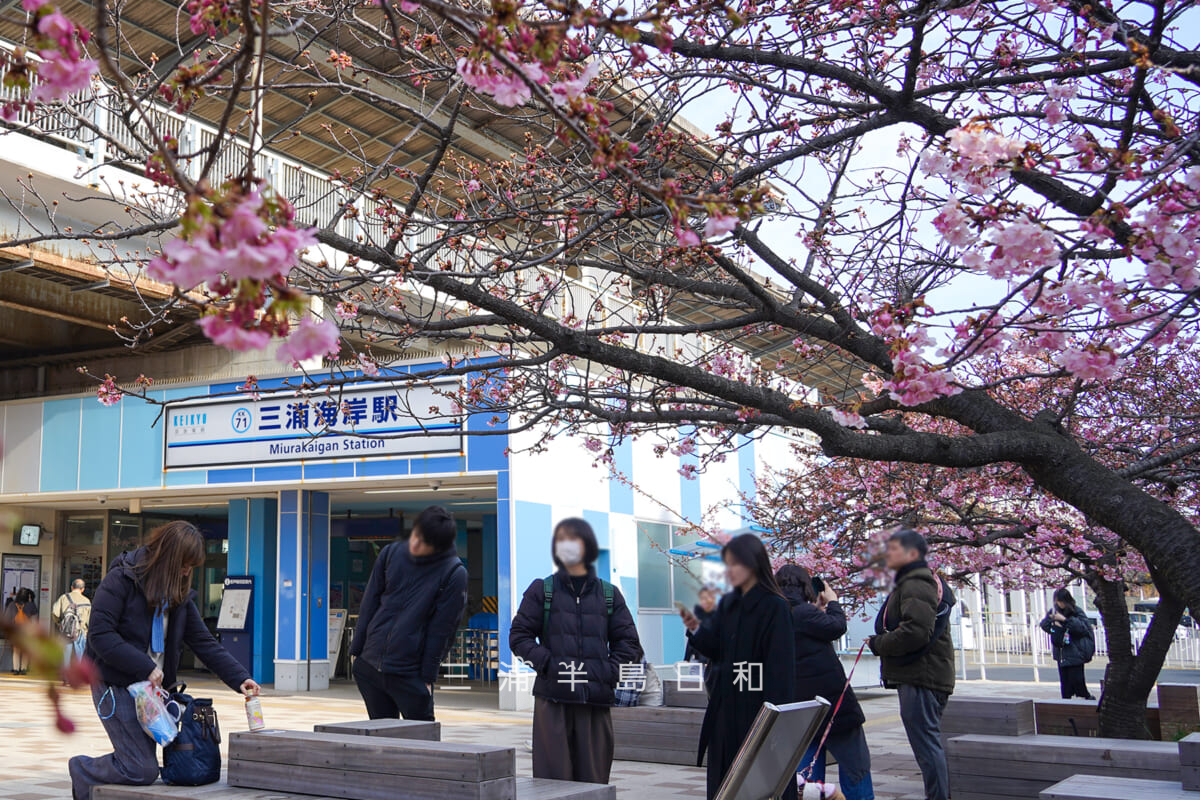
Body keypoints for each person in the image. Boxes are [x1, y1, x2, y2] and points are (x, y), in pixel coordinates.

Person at [69, 521, 260, 800]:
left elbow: (204, 642)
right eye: (184, 564)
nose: (187, 572)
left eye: (191, 567)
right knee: (140, 769)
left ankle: (92, 788)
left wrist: (240, 677)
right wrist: (144, 666)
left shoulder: (178, 594)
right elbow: (100, 635)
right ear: (167, 557)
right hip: (114, 684)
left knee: (142, 766)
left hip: (152, 692)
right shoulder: (121, 579)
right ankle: (81, 769)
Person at [510, 517, 643, 784]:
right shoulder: (542, 590)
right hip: (553, 702)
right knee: (551, 782)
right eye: (561, 541)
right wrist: (548, 665)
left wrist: (607, 672)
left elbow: (630, 645)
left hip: (595, 704)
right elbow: (518, 637)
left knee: (593, 782)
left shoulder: (609, 594)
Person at [681, 534, 797, 800]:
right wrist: (696, 627)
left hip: (756, 714)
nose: (728, 571)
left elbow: (781, 674)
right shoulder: (731, 605)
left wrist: (774, 726)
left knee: (757, 786)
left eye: (734, 564)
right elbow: (717, 650)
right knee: (726, 785)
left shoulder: (775, 607)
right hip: (725, 713)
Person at [350, 505, 469, 721]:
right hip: (369, 667)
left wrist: (427, 677)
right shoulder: (391, 553)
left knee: (421, 744)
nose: (414, 544)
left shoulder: (453, 572)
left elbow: (442, 630)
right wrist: (357, 654)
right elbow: (370, 603)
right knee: (382, 742)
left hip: (409, 672)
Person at [867, 529, 955, 800]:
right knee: (928, 745)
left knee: (927, 746)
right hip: (923, 675)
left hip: (921, 676)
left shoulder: (916, 582)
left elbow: (916, 632)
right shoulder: (914, 581)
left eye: (893, 549)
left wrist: (877, 644)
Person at [777, 565, 873, 800]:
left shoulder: (777, 614)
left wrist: (818, 612)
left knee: (807, 776)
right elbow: (837, 627)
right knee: (855, 767)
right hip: (832, 705)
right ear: (805, 587)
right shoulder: (802, 613)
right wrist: (833, 603)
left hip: (800, 707)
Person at [1039, 588, 1095, 700]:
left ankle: (1086, 698)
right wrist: (1054, 624)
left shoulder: (1076, 611)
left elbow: (1083, 629)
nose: (1059, 604)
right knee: (1065, 683)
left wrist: (1064, 620)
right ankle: (1067, 703)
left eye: (1060, 601)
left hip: (1075, 651)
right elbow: (1044, 625)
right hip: (1062, 651)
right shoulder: (1054, 611)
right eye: (1057, 601)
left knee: (1078, 680)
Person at [53, 579, 93, 665]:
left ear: (72, 587)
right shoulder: (87, 601)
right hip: (81, 632)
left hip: (66, 631)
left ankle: (65, 674)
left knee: (65, 656)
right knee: (80, 657)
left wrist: (59, 624)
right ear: (83, 589)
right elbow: (90, 620)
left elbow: (55, 613)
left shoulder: (64, 598)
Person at [7, 588, 38, 675]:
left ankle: (16, 669)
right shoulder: (30, 605)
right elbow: (35, 613)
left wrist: (10, 598)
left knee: (16, 651)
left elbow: (7, 617)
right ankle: (23, 668)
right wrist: (31, 601)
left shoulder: (12, 605)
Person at [684, 586, 718, 665]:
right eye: (702, 598)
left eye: (707, 598)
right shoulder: (697, 616)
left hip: (711, 660)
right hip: (697, 658)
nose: (704, 601)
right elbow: (690, 639)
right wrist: (687, 657)